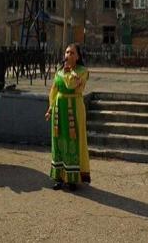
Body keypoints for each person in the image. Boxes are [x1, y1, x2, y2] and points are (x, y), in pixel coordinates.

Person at [45, 43, 90, 191]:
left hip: (74, 108)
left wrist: (69, 71)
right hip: (59, 109)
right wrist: (50, 108)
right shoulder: (59, 71)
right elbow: (54, 90)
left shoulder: (82, 72)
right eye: (66, 52)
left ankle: (72, 179)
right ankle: (59, 177)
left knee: (72, 141)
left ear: (77, 56)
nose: (68, 55)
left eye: (72, 53)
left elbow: (71, 85)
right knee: (58, 140)